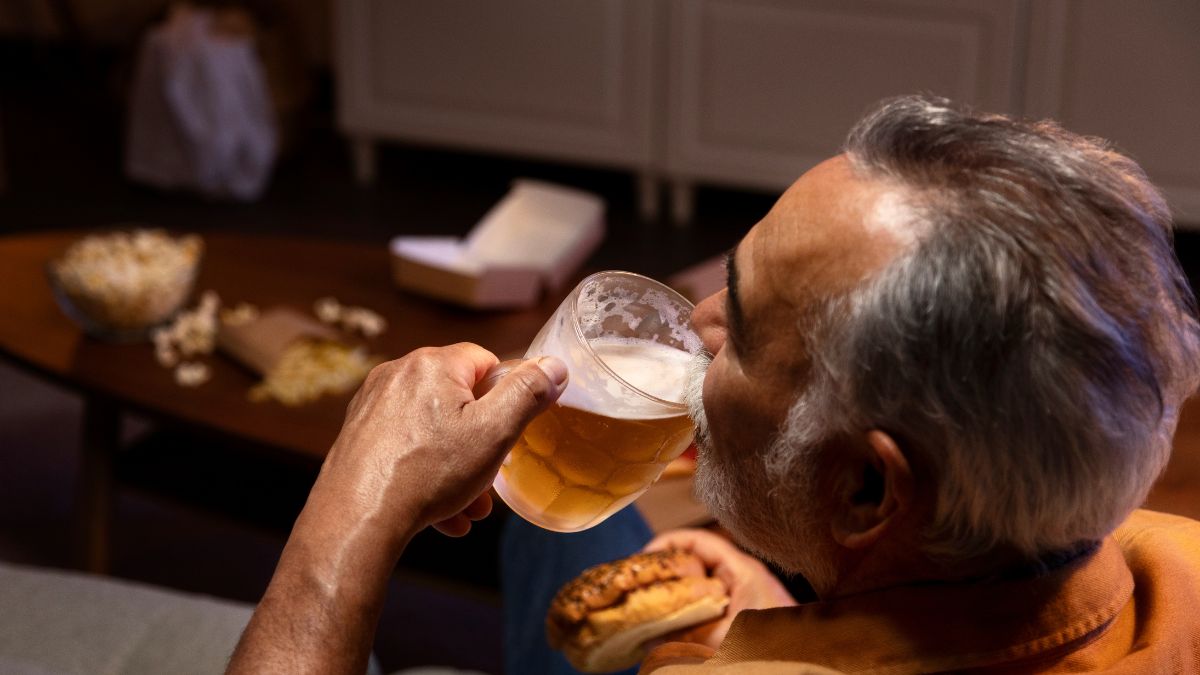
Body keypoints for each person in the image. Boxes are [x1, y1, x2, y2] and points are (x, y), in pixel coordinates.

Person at [227, 96, 1200, 674]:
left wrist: (352, 507)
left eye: (738, 324)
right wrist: (806, 614)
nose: (698, 328)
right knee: (570, 521)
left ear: (865, 490)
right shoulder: (1181, 566)